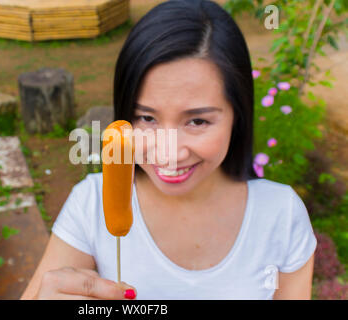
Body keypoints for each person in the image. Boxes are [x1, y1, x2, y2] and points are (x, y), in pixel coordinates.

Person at [21, 0, 317, 300]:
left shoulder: (281, 213)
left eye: (197, 121)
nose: (167, 154)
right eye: (147, 118)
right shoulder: (91, 206)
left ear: (236, 116)